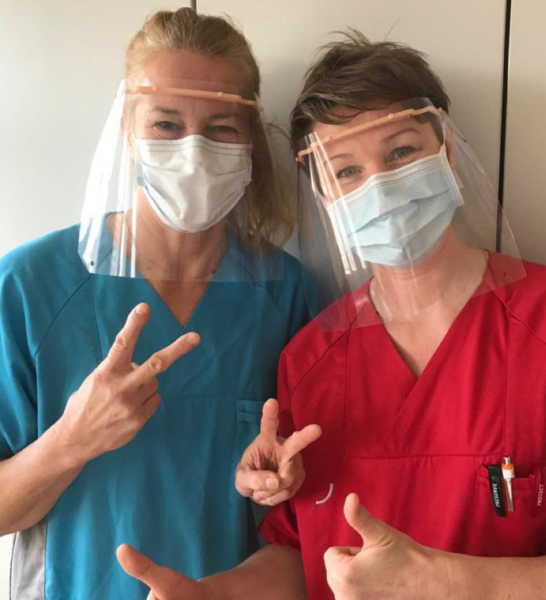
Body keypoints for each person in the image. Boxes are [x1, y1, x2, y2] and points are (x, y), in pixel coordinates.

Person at [118, 31, 546, 600]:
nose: (380, 186)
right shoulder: (311, 360)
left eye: (401, 152)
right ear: (324, 196)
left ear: (447, 153)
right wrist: (217, 594)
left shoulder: (537, 322)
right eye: (346, 171)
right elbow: (300, 555)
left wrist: (446, 581)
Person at [0, 8, 316, 600]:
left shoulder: (285, 293)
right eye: (167, 124)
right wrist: (71, 440)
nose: (194, 150)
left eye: (221, 127)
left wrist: (282, 482)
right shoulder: (29, 286)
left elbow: (305, 514)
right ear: (126, 126)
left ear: (250, 136)